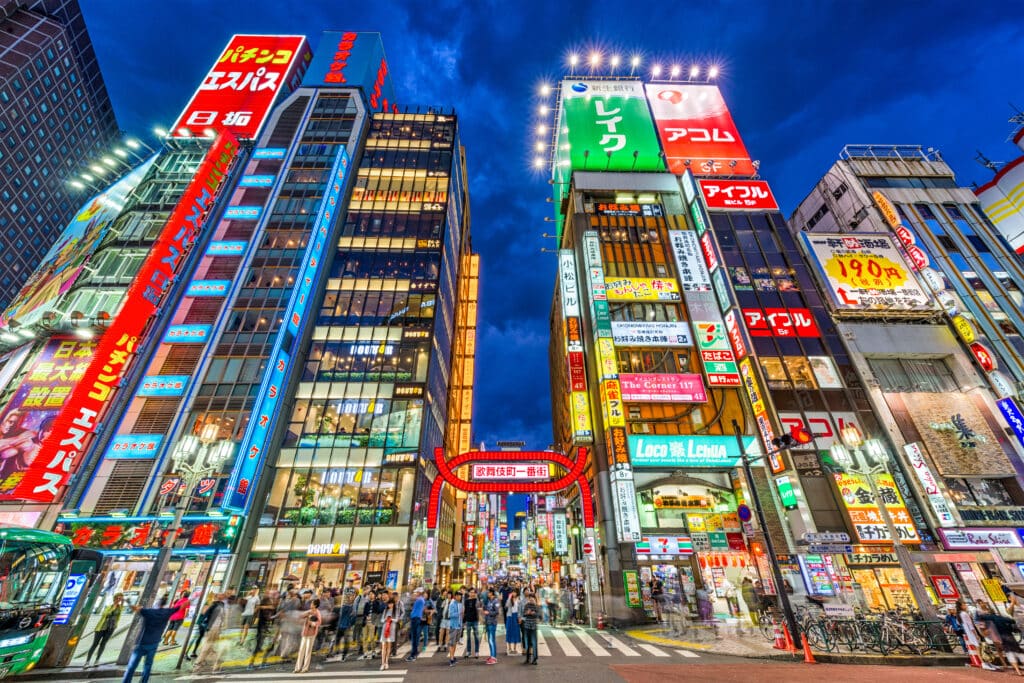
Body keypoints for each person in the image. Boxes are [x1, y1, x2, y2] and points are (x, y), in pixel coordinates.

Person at [121, 596, 176, 683]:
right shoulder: (167, 612)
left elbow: (135, 608)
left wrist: (128, 602)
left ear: (157, 603)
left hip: (142, 643)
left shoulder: (149, 612)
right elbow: (178, 608)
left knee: (132, 666)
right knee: (148, 665)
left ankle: (126, 681)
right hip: (154, 643)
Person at [84, 593, 124, 667]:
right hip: (101, 627)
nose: (118, 600)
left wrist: (122, 601)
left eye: (120, 599)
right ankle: (87, 662)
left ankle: (97, 661)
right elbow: (105, 614)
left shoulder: (120, 608)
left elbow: (121, 609)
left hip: (110, 628)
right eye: (117, 598)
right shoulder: (109, 606)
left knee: (103, 644)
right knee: (95, 644)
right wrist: (114, 607)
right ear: (114, 598)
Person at [294, 598, 321, 674]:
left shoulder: (317, 613)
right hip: (305, 633)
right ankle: (297, 668)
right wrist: (304, 616)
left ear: (315, 605)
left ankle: (305, 668)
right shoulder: (309, 612)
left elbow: (319, 622)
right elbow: (301, 616)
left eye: (312, 603)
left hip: (311, 634)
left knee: (308, 651)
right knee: (301, 650)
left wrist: (312, 623)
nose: (310, 605)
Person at [379, 594, 399, 671]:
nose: (390, 605)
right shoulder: (385, 610)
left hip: (391, 630)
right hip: (384, 629)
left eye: (391, 603)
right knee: (384, 646)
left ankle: (386, 662)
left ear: (393, 604)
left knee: (388, 646)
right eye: (389, 603)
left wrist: (391, 619)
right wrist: (385, 620)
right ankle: (382, 663)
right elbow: (381, 620)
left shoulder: (395, 611)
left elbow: (397, 619)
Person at [406, 587, 425, 662]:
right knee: (415, 637)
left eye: (416, 592)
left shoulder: (419, 600)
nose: (415, 594)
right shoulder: (421, 600)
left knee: (414, 637)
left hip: (415, 619)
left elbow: (412, 598)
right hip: (416, 618)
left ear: (419, 593)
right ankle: (415, 652)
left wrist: (411, 595)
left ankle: (413, 655)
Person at [520, 592, 539, 666]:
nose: (531, 599)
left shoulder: (536, 606)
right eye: (530, 597)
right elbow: (523, 614)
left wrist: (533, 613)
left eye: (532, 597)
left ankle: (535, 659)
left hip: (533, 626)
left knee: (534, 643)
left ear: (534, 598)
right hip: (527, 626)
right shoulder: (526, 605)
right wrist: (527, 613)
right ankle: (527, 658)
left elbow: (539, 615)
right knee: (527, 643)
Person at [446, 590, 464, 667]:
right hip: (453, 625)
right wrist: (459, 613)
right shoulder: (452, 604)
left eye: (461, 596)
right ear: (455, 596)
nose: (460, 597)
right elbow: (450, 615)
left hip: (459, 625)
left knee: (455, 642)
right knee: (451, 643)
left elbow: (461, 615)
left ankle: (453, 656)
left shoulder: (460, 604)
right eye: (458, 595)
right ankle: (451, 658)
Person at [462, 587, 480, 658]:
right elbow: (465, 611)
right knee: (468, 637)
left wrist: (477, 598)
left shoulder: (476, 600)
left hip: (475, 620)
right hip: (468, 621)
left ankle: (476, 652)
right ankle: (468, 651)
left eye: (473, 592)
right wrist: (464, 621)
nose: (472, 593)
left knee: (476, 636)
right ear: (469, 593)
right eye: (471, 592)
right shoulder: (466, 601)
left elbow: (479, 606)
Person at [484, 587, 500, 664]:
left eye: (488, 592)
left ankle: (493, 657)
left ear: (491, 593)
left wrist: (488, 613)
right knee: (490, 640)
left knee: (491, 640)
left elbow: (497, 612)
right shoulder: (488, 601)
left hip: (493, 623)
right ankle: (492, 656)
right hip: (488, 622)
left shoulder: (495, 601)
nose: (487, 594)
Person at [505, 589, 522, 655]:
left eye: (515, 592)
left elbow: (520, 610)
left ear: (517, 593)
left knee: (516, 631)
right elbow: (506, 606)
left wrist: (519, 617)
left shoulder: (518, 600)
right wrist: (509, 598)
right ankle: (509, 647)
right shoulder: (509, 599)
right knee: (509, 631)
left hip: (516, 617)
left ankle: (514, 648)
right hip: (510, 616)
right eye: (512, 592)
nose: (514, 593)